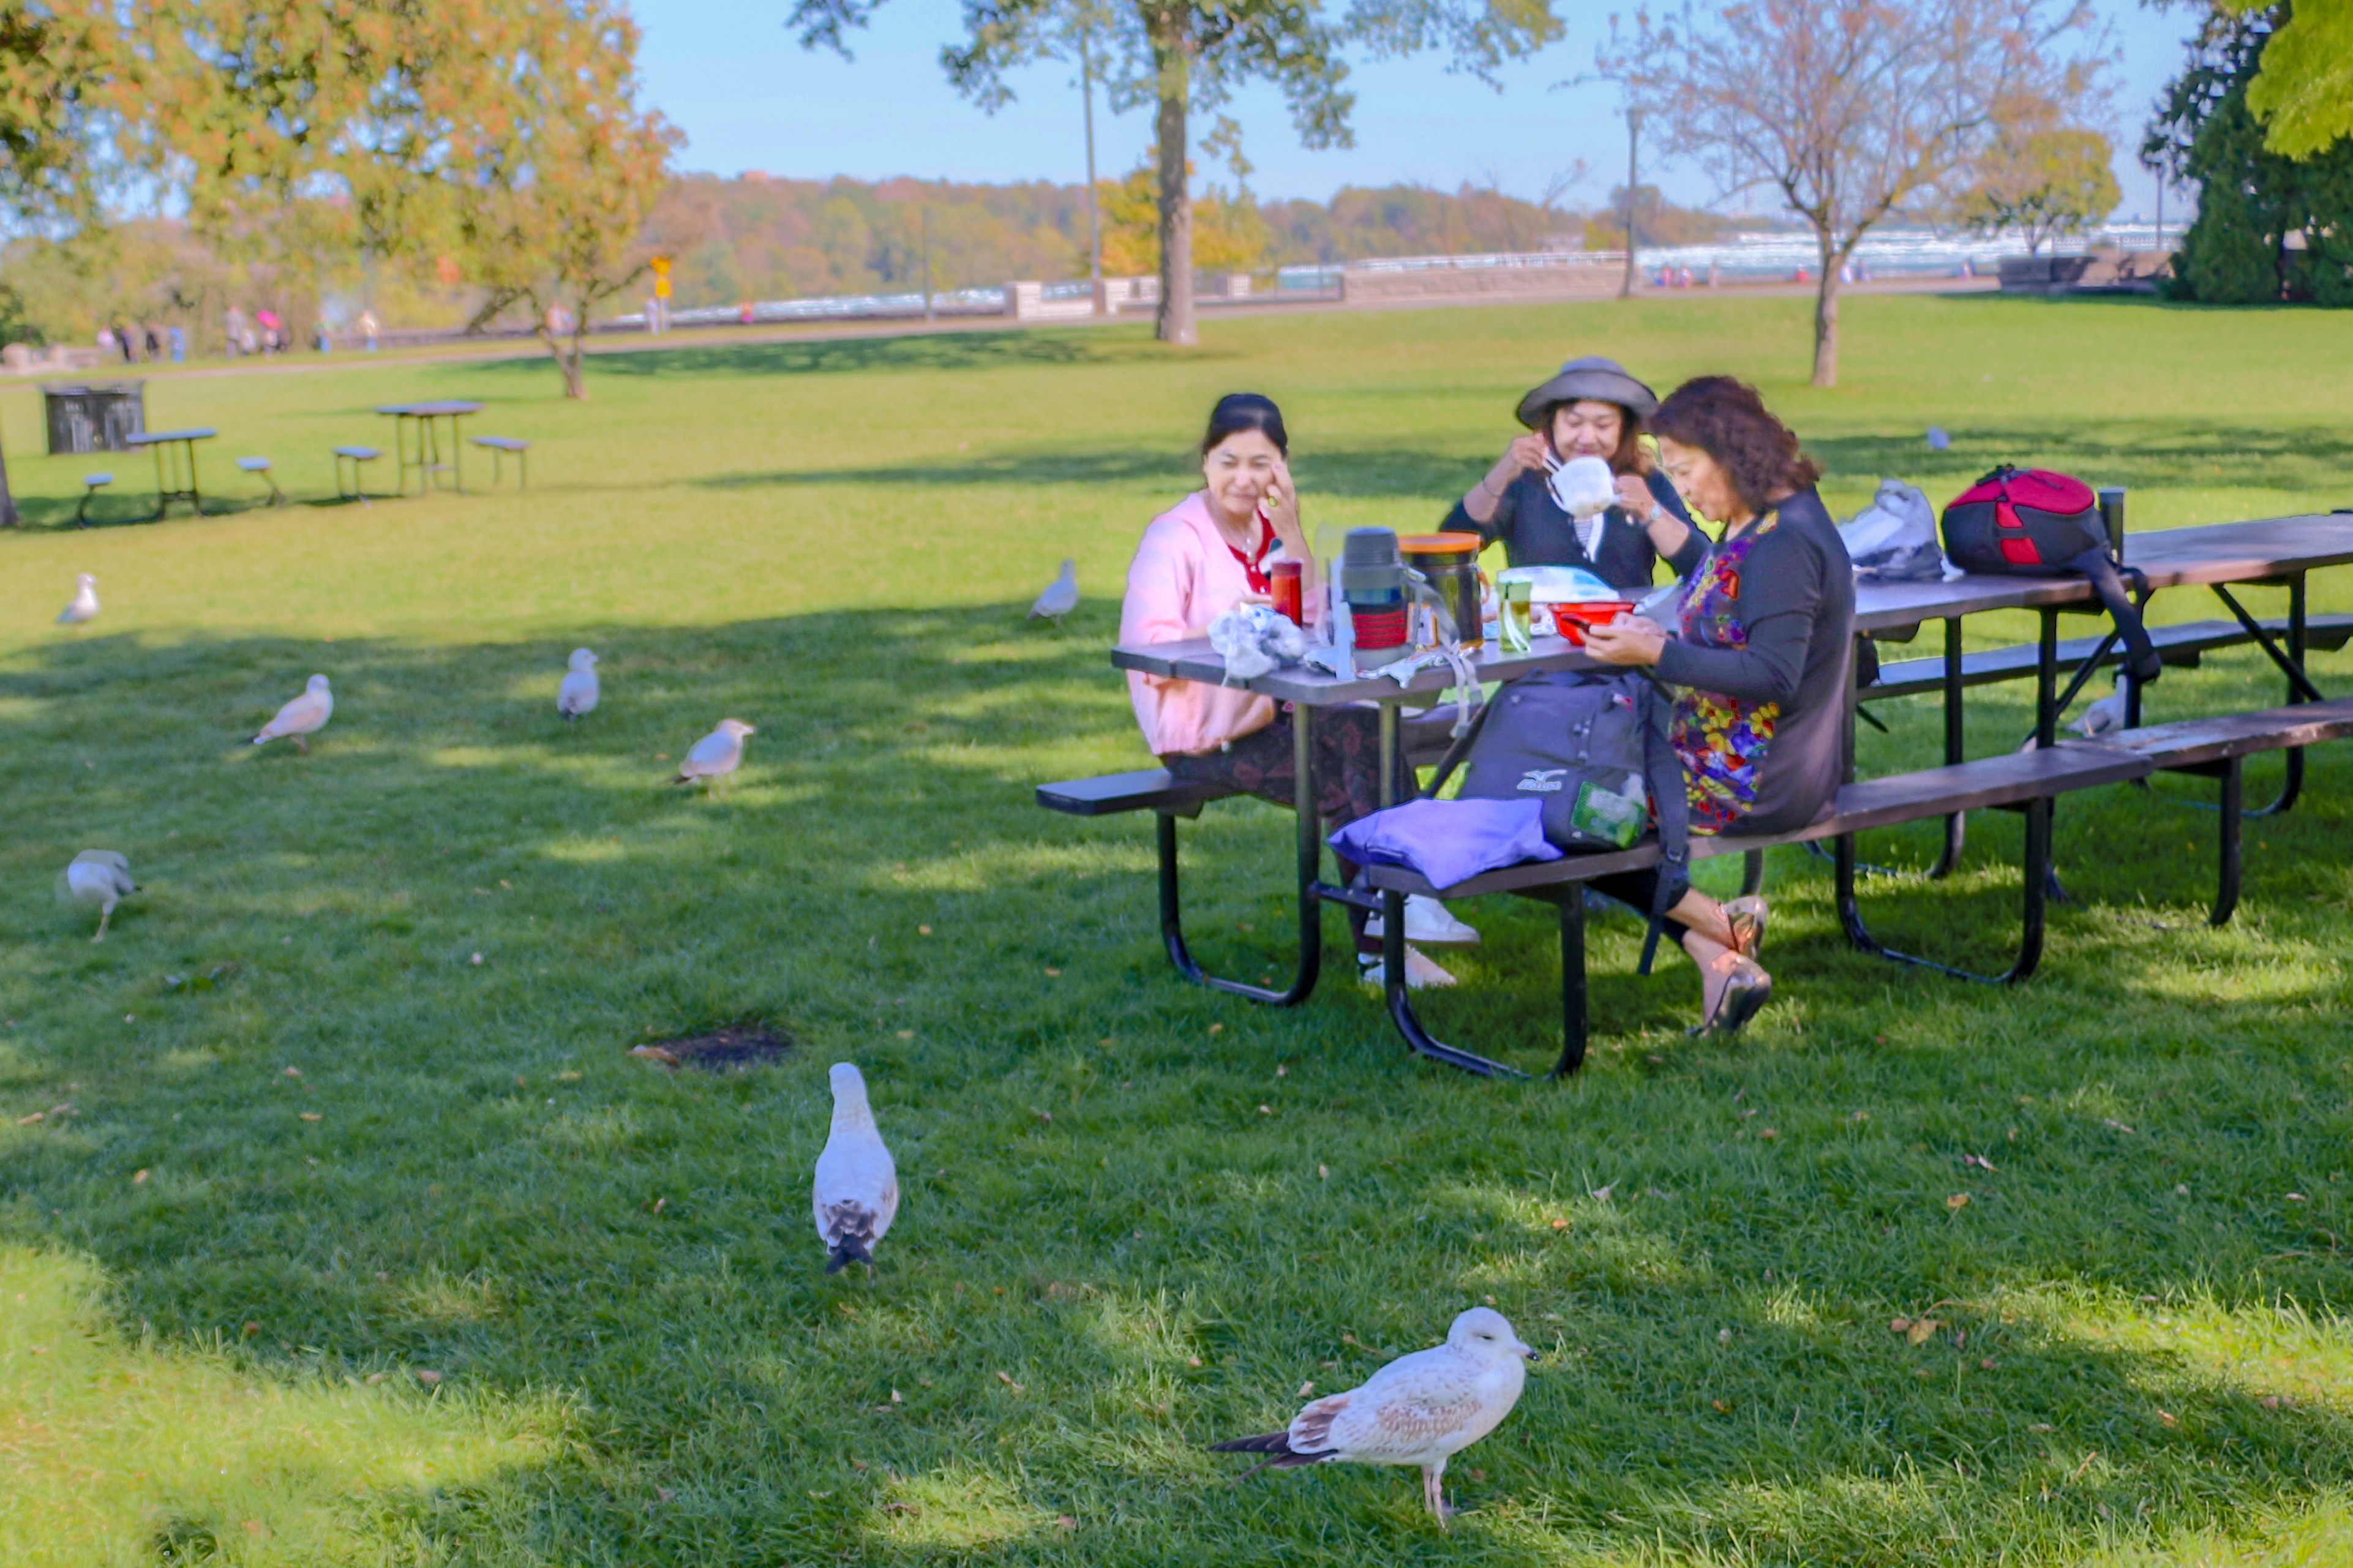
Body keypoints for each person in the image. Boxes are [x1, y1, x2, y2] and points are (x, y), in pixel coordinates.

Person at [1120, 392, 1479, 988]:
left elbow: (1313, 622)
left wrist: (1289, 527)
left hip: (1278, 717)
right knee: (1349, 776)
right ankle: (1395, 921)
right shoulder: (1174, 537)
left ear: (1282, 466)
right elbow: (1148, 648)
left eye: (1261, 463)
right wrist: (1236, 621)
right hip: (1204, 738)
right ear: (1205, 461)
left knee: (1369, 729)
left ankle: (1398, 917)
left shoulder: (1269, 531)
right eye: (1228, 461)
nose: (1243, 478)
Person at [1581, 376, 1856, 1037]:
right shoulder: (1768, 513)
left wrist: (1657, 655)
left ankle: (1716, 925)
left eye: (1685, 470)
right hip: (1746, 754)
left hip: (1755, 777)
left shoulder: (1784, 541)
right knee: (1578, 789)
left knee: (1575, 813)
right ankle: (1717, 952)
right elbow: (1732, 592)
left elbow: (1773, 674)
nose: (1685, 487)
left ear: (1731, 454)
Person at [1444, 355, 1704, 591]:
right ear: (1552, 424)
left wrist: (1651, 512)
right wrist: (1501, 475)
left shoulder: (1644, 482)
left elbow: (1704, 571)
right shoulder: (1523, 481)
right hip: (1539, 633)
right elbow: (1450, 548)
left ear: (1623, 430)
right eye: (1574, 423)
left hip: (1625, 632)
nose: (1587, 438)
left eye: (1603, 425)